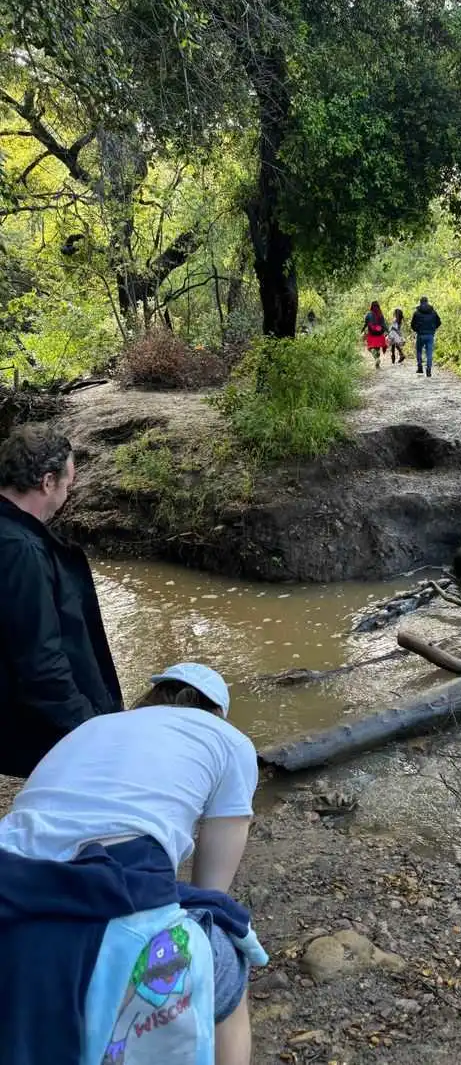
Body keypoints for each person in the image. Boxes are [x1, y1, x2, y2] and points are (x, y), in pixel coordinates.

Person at [0, 661, 264, 1065]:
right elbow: (212, 889)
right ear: (217, 712)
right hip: (105, 898)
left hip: (10, 879)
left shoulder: (93, 726)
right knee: (226, 964)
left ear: (151, 697)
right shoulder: (229, 739)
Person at [0, 424, 123, 778]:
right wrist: (89, 729)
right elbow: (40, 660)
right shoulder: (22, 550)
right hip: (27, 729)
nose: (66, 496)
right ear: (47, 482)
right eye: (68, 485)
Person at [410, 296, 442, 377]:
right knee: (429, 353)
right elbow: (439, 322)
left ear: (420, 302)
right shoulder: (433, 312)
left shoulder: (416, 313)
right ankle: (428, 369)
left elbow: (412, 324)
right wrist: (433, 328)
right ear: (427, 302)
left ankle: (420, 367)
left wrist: (417, 330)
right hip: (430, 335)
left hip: (420, 335)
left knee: (419, 351)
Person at [361, 300, 388, 368]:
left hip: (372, 334)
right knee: (377, 348)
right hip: (380, 334)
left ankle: (376, 358)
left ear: (371, 306)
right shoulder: (380, 314)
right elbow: (384, 324)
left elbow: (366, 323)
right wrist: (387, 331)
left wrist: (362, 329)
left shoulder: (368, 314)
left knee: (370, 348)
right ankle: (377, 364)